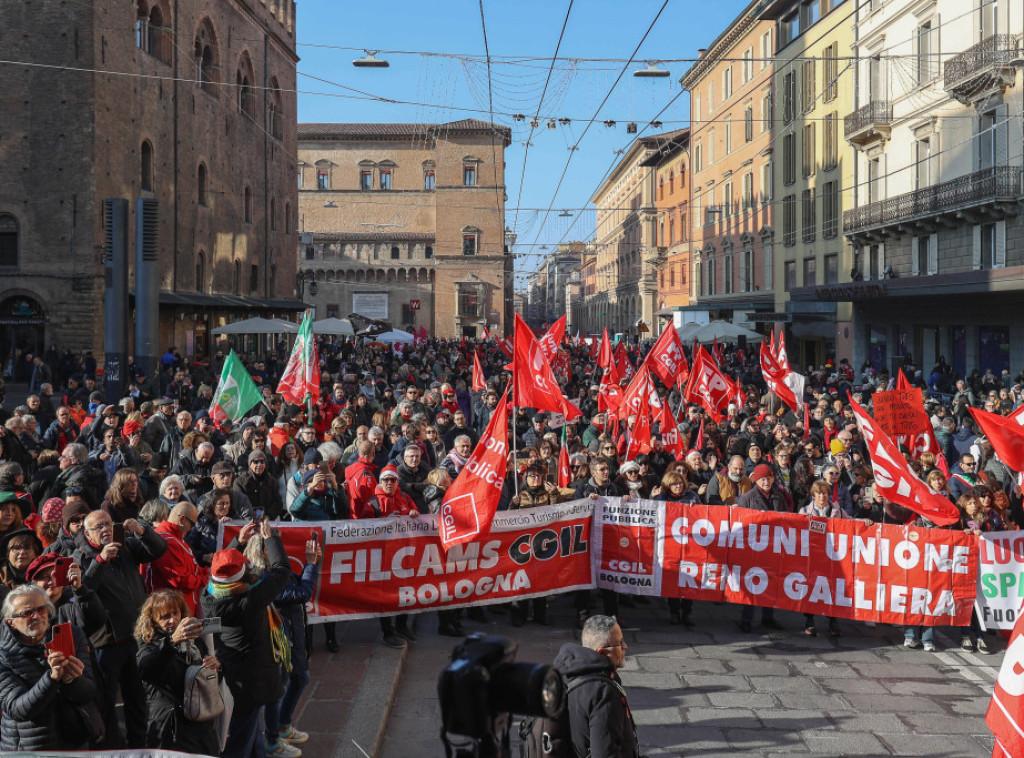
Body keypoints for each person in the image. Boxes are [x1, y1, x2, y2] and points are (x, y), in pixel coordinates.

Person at [74, 510, 168, 748]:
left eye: (108, 524)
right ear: (87, 534)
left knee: (137, 698)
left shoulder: (125, 547)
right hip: (107, 643)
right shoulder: (82, 555)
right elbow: (83, 589)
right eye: (98, 527)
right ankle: (110, 749)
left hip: (136, 638)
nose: (105, 529)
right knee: (106, 702)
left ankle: (139, 746)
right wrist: (100, 560)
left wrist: (142, 531)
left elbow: (159, 550)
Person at [202, 521, 292, 758]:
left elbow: (223, 570)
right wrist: (272, 539)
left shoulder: (208, 596)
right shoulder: (250, 600)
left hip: (231, 672)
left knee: (250, 731)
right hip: (251, 681)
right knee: (240, 739)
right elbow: (282, 569)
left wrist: (237, 544)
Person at [244, 530, 320, 757]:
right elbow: (302, 593)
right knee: (278, 689)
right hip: (279, 642)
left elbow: (297, 583)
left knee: (301, 678)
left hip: (293, 637)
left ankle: (283, 726)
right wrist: (311, 564)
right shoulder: (263, 577)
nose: (281, 549)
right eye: (274, 545)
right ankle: (272, 740)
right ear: (265, 550)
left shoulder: (276, 571)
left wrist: (310, 564)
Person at [0, 584, 99, 751]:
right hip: (31, 748)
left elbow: (89, 693)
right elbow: (18, 710)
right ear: (11, 623)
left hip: (74, 742)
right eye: (27, 613)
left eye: (41, 609)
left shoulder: (73, 635)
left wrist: (72, 680)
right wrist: (52, 678)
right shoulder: (4, 656)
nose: (37, 616)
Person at [134, 589, 221, 754]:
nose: (172, 620)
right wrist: (172, 642)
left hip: (200, 724)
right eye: (165, 616)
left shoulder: (194, 641)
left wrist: (215, 667)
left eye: (176, 613)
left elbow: (206, 680)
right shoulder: (149, 644)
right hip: (171, 728)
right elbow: (147, 670)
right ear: (153, 621)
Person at [552, 614, 639, 758]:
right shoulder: (603, 693)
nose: (625, 646)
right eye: (619, 643)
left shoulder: (564, 674)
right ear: (601, 652)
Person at [734, 465, 788, 633]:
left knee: (770, 583)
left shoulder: (779, 497)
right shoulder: (747, 498)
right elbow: (739, 524)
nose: (766, 481)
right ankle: (746, 619)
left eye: (769, 478)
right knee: (751, 583)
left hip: (772, 548)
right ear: (756, 480)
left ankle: (768, 617)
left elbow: (788, 520)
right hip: (753, 549)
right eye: (763, 478)